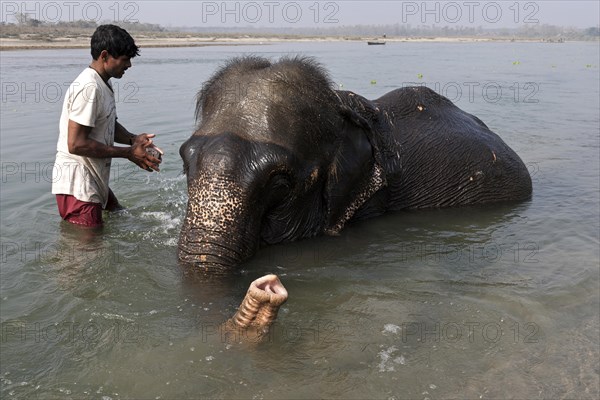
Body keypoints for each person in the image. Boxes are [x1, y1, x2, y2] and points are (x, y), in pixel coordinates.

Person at [52, 24, 162, 228]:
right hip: (78, 185)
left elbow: (109, 122)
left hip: (93, 178)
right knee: (89, 251)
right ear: (105, 56)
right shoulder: (89, 88)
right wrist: (129, 153)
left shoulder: (103, 82)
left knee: (121, 214)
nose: (129, 65)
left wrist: (133, 139)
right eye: (125, 59)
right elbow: (75, 144)